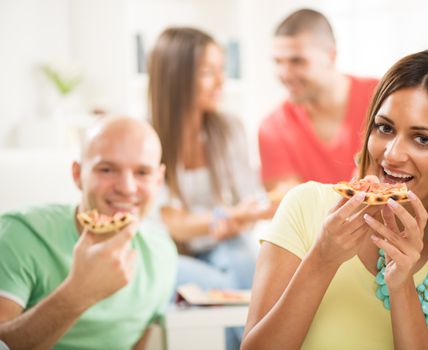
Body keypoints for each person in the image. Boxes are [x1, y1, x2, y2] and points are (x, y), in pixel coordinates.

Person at [242, 50, 428, 349]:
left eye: (423, 139)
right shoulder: (305, 206)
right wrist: (321, 260)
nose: (391, 154)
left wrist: (402, 286)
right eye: (385, 128)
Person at [0, 117, 177, 349]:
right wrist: (77, 293)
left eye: (142, 172)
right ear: (77, 174)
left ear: (158, 180)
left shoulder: (163, 254)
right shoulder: (19, 234)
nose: (127, 187)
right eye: (107, 169)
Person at [148, 27, 272, 349]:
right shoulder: (149, 137)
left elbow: (251, 198)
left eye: (221, 70)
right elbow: (172, 223)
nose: (221, 82)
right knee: (224, 285)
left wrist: (249, 211)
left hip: (222, 243)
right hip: (168, 251)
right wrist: (226, 216)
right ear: (177, 77)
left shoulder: (228, 128)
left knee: (246, 256)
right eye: (208, 72)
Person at [258, 8, 378, 192]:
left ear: (331, 56)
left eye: (297, 61)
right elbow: (292, 209)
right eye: (278, 62)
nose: (284, 74)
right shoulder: (272, 128)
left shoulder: (381, 97)